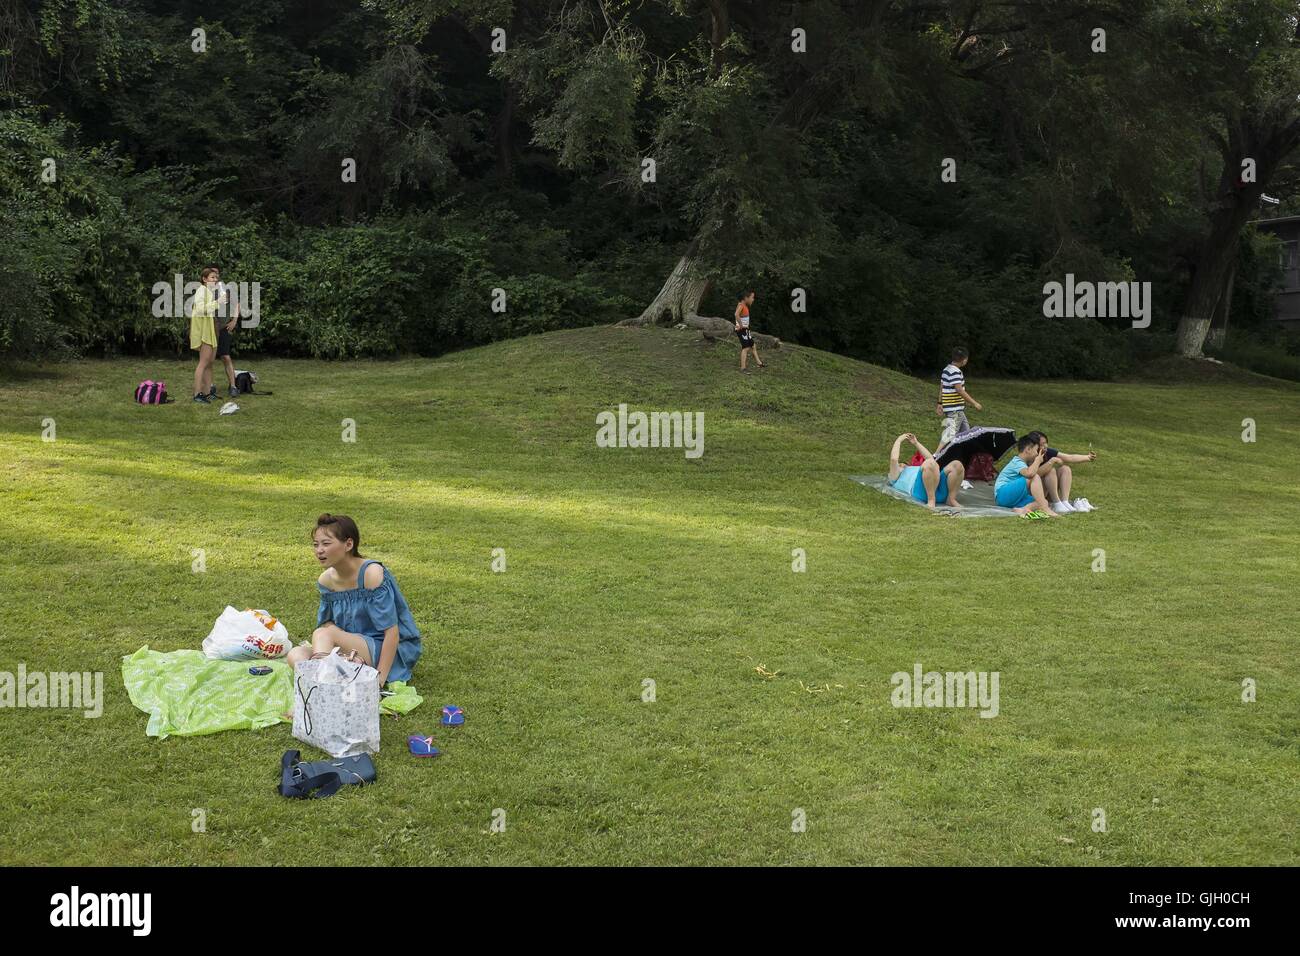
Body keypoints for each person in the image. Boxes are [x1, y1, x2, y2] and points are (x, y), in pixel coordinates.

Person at [285, 514, 423, 687]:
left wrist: (378, 680)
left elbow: (392, 633)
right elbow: (327, 623)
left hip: (386, 650)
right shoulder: (326, 580)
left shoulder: (371, 573)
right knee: (296, 655)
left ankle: (321, 691)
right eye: (316, 544)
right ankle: (341, 676)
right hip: (350, 649)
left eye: (326, 544)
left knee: (323, 635)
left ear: (349, 544)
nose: (319, 550)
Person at [1024, 431, 1098, 513]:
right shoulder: (1030, 456)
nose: (1045, 446)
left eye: (1045, 443)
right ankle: (1056, 503)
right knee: (1050, 470)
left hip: (1048, 490)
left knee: (1065, 469)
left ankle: (1064, 501)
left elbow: (1070, 457)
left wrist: (1087, 457)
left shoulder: (1047, 451)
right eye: (1041, 444)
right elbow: (1032, 475)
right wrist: (1051, 462)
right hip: (1035, 492)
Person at [887, 432, 965, 509]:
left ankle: (951, 499)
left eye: (904, 463)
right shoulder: (896, 476)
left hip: (940, 491)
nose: (902, 464)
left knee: (957, 465)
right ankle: (931, 500)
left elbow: (931, 459)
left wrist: (916, 443)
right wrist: (899, 440)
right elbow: (894, 459)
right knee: (930, 463)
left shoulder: (915, 469)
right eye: (900, 464)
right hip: (922, 493)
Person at [994, 435, 1057, 516]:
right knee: (1034, 476)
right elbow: (1030, 474)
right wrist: (1037, 461)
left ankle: (1024, 509)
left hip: (1014, 498)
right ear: (1028, 449)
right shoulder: (1016, 461)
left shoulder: (1024, 464)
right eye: (1036, 450)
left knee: (1043, 501)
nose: (1037, 454)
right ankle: (1045, 509)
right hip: (1002, 494)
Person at [189, 267, 225, 403]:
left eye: (216, 278)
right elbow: (199, 310)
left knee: (210, 363)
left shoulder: (209, 292)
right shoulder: (201, 290)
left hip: (209, 330)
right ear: (204, 279)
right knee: (203, 363)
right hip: (203, 331)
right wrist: (218, 303)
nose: (215, 280)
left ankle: (208, 392)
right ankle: (197, 394)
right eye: (212, 277)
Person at [937, 347, 982, 446]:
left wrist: (939, 403)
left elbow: (942, 387)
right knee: (950, 434)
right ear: (964, 359)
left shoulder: (946, 369)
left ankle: (964, 456)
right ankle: (936, 456)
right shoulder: (956, 372)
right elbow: (959, 390)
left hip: (955, 408)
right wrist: (974, 403)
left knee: (966, 434)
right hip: (955, 409)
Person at [211, 265, 241, 398]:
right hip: (209, 328)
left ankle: (233, 386)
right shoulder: (204, 289)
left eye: (216, 273)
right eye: (212, 274)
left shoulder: (226, 288)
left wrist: (234, 320)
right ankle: (210, 385)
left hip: (223, 327)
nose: (215, 276)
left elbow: (237, 304)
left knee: (225, 356)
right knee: (208, 359)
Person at [734, 291, 765, 372]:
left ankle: (759, 363)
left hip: (746, 330)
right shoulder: (741, 305)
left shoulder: (744, 306)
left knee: (753, 345)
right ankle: (743, 368)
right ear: (746, 298)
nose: (753, 299)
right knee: (746, 347)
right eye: (752, 297)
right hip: (741, 330)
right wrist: (740, 325)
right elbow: (736, 314)